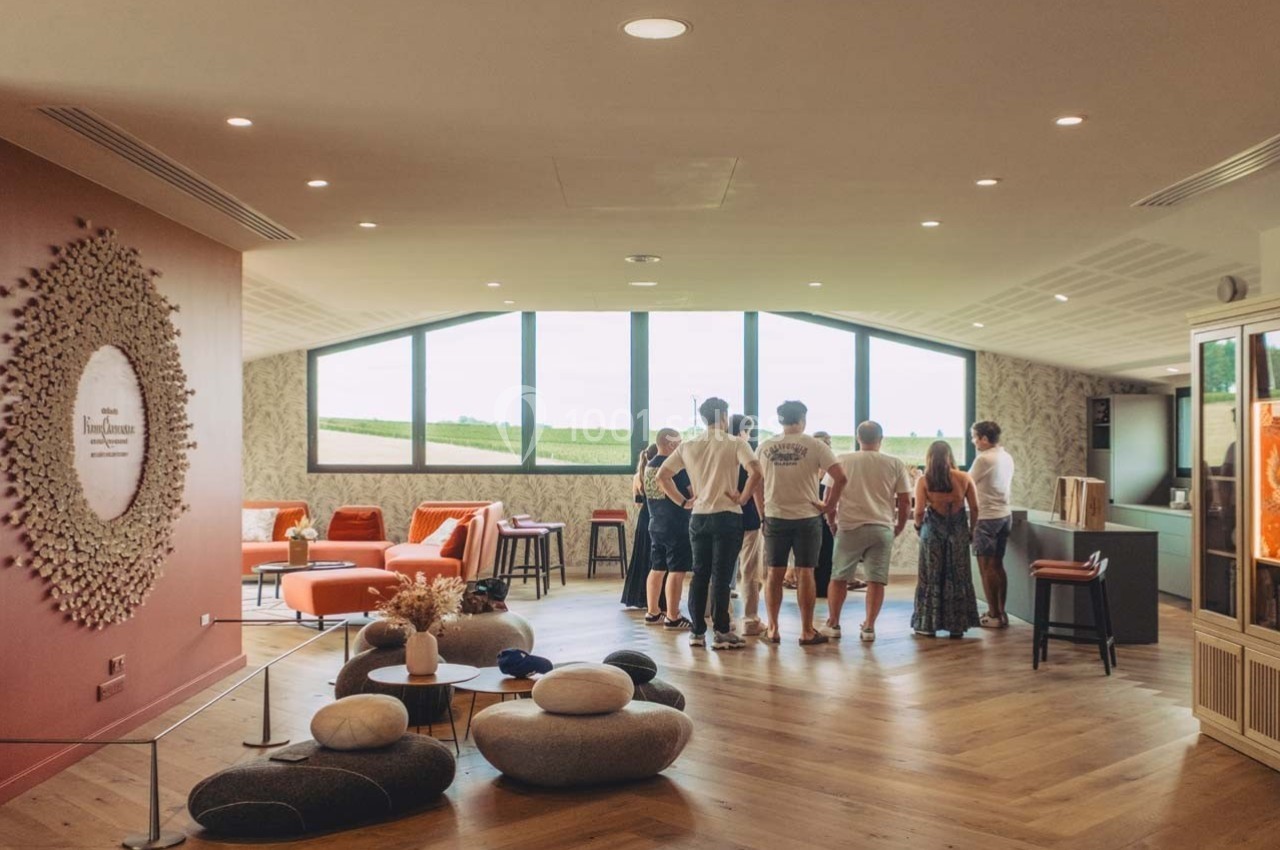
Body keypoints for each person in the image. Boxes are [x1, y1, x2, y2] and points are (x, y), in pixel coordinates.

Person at [658, 398, 761, 650]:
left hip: (699, 517)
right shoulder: (735, 442)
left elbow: (663, 476)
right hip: (727, 515)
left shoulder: (690, 445)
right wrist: (744, 496)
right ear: (724, 416)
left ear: (704, 419)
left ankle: (697, 632)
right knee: (722, 576)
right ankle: (722, 631)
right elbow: (756, 470)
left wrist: (684, 502)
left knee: (699, 575)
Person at [757, 400, 846, 645]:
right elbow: (840, 477)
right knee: (806, 572)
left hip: (775, 515)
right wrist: (828, 506)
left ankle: (773, 629)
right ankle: (807, 631)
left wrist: (762, 512)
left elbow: (756, 482)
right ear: (803, 419)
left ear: (780, 420)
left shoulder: (765, 446)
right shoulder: (815, 445)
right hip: (807, 516)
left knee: (774, 573)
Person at [821, 421, 911, 642]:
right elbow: (905, 500)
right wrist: (898, 525)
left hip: (850, 525)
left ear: (857, 437)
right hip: (881, 526)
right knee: (876, 580)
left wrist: (832, 522)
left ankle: (833, 623)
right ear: (881, 439)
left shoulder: (842, 460)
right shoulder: (895, 463)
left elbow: (828, 497)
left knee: (839, 577)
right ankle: (869, 627)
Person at [911, 440, 980, 638]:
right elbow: (975, 508)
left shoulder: (924, 480)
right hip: (957, 531)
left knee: (930, 576)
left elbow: (919, 512)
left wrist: (918, 527)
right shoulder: (964, 477)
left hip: (932, 531)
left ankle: (927, 625)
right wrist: (972, 531)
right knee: (958, 575)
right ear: (950, 456)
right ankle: (957, 625)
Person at [643, 429, 694, 630]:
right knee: (677, 570)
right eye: (680, 442)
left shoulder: (649, 465)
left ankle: (653, 611)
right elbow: (692, 492)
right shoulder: (675, 468)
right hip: (676, 524)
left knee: (657, 568)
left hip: (655, 522)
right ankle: (673, 616)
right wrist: (686, 503)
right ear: (672, 445)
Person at [969, 420, 1015, 628]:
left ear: (984, 439)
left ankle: (992, 614)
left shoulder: (984, 459)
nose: (973, 441)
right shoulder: (1006, 457)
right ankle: (1001, 612)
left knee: (986, 568)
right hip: (1005, 515)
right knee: (998, 565)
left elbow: (967, 484)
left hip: (986, 518)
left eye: (974, 437)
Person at [730, 414, 764, 636]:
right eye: (748, 431)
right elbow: (758, 480)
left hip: (723, 514)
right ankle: (750, 619)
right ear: (741, 432)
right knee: (750, 570)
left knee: (721, 568)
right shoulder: (747, 453)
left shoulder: (718, 452)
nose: (749, 436)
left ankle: (721, 615)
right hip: (749, 515)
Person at [620, 444, 658, 609]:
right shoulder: (659, 473)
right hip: (657, 515)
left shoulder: (638, 476)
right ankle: (656, 598)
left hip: (644, 517)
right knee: (656, 559)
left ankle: (637, 596)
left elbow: (637, 503)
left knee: (641, 555)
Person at [812, 431, 837, 598]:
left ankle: (824, 587)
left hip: (828, 514)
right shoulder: (808, 465)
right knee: (811, 554)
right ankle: (812, 587)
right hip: (810, 514)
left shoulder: (832, 467)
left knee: (827, 551)